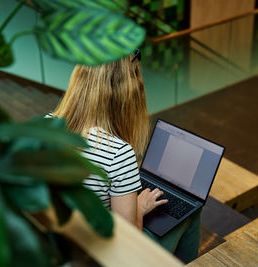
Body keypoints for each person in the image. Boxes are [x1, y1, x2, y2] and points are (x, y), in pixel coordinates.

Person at [48, 50, 200, 263]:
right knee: (191, 212)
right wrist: (139, 206)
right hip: (96, 257)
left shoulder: (45, 126)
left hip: (60, 247)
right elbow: (128, 242)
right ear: (127, 94)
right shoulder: (118, 153)